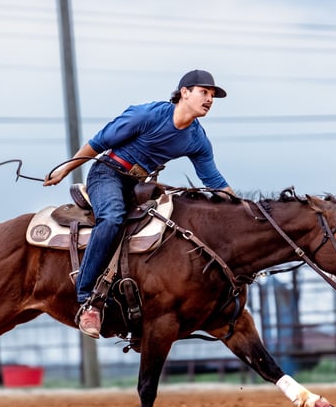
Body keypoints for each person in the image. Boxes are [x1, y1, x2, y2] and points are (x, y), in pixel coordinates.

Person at [44, 69, 235, 338]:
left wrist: (243, 208)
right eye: (204, 92)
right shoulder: (147, 115)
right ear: (184, 93)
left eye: (213, 95)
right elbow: (99, 142)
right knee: (111, 218)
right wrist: (65, 169)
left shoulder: (197, 139)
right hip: (107, 173)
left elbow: (213, 179)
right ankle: (87, 299)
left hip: (138, 185)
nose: (210, 99)